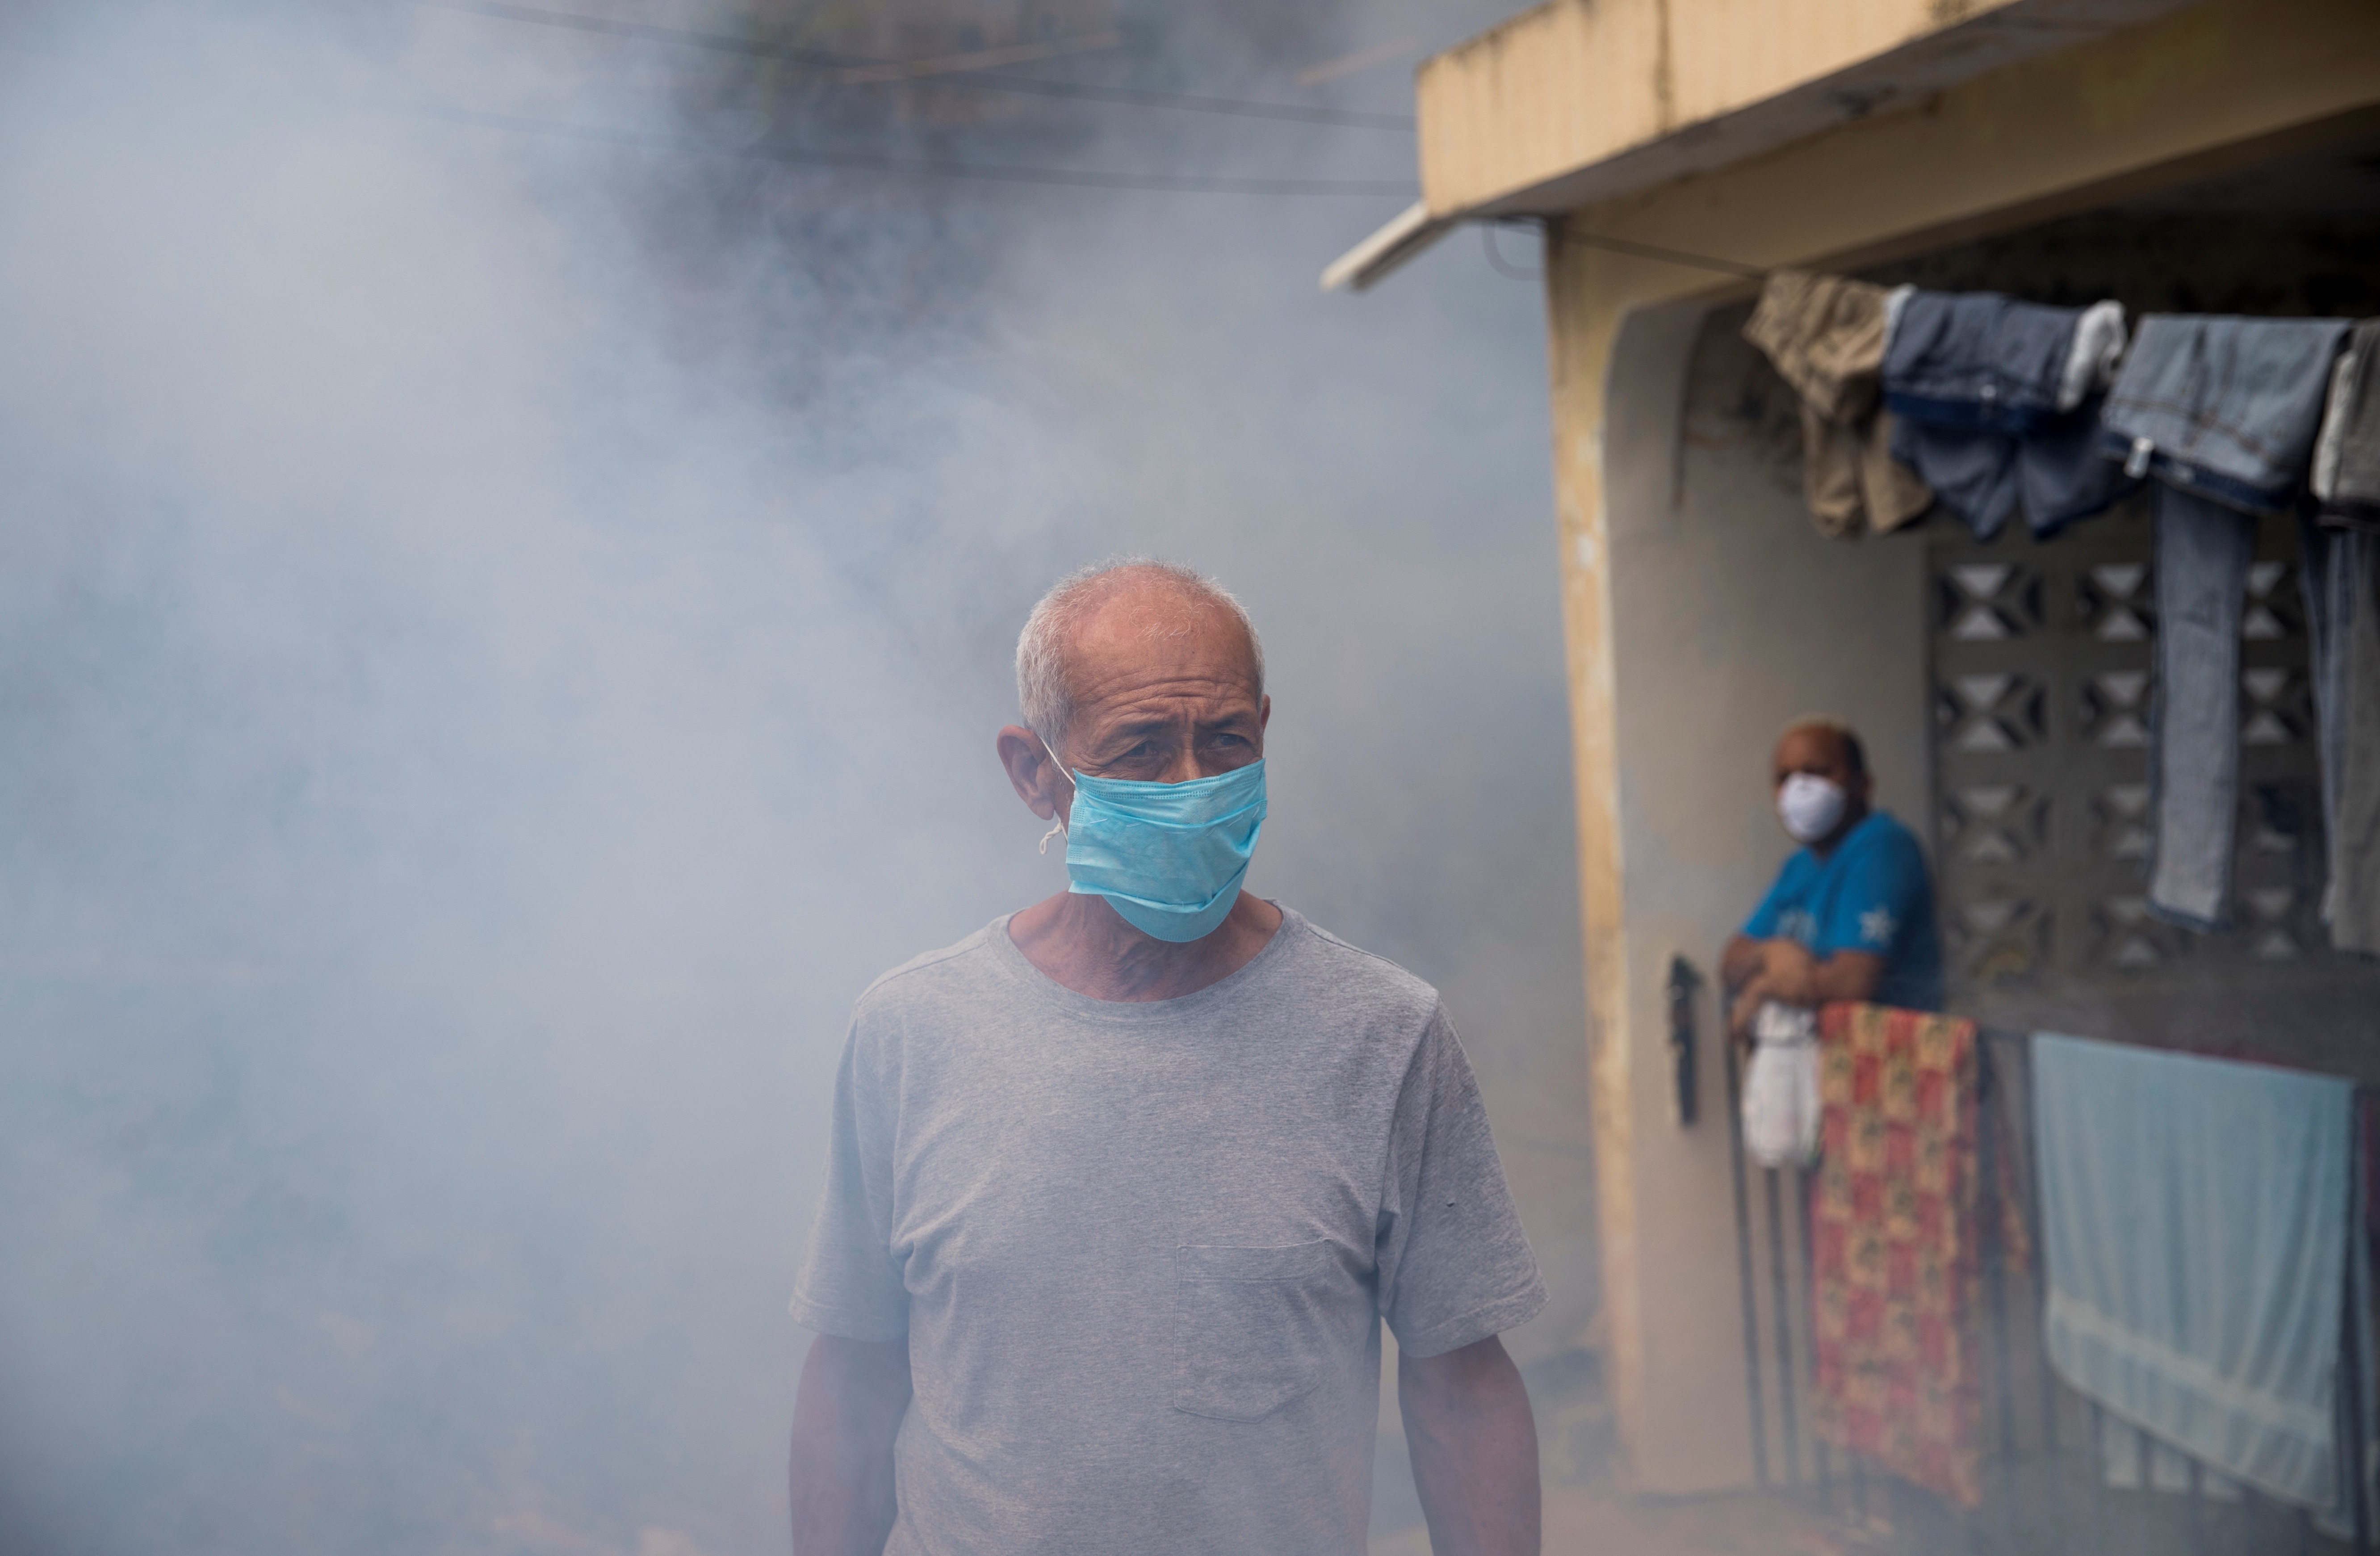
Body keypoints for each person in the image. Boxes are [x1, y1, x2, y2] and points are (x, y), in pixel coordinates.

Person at [786, 560, 1548, 1556]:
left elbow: (1462, 1388)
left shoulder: (1383, 1035)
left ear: (1265, 734)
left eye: (1225, 741)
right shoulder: (913, 1032)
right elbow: (853, 1375)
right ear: (1034, 774)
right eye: (1143, 750)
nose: (1195, 785)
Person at [1721, 717, 1944, 1036]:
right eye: (1785, 777)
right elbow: (1730, 961)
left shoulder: (1883, 849)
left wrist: (1762, 988)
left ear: (1861, 784)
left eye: (1817, 772)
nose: (1799, 788)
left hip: (1887, 1065)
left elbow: (1852, 982)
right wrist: (1769, 952)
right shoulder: (1799, 866)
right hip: (1819, 1067)